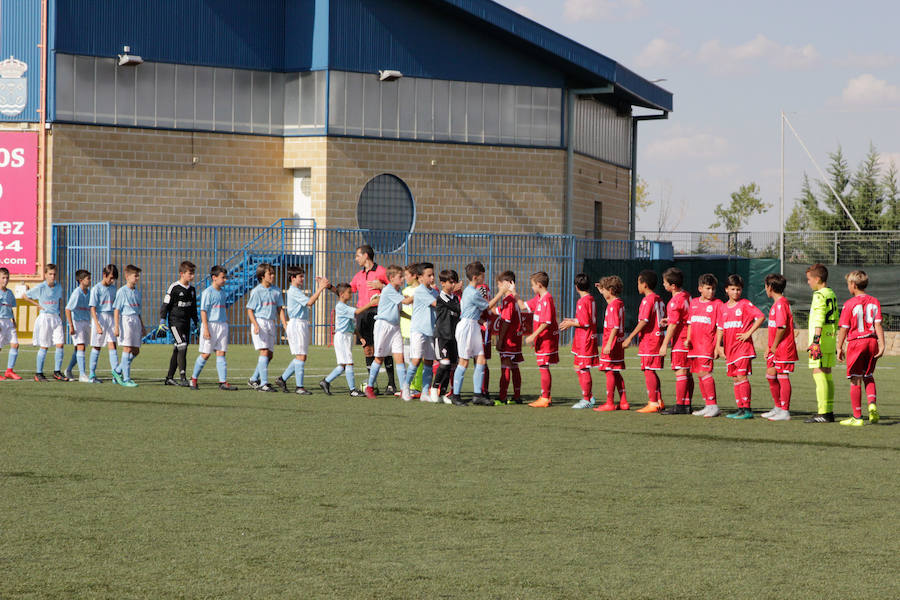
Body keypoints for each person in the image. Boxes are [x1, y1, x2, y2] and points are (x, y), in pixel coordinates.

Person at [450, 261, 506, 406]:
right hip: (466, 327)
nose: (483, 278)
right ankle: (455, 395)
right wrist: (501, 292)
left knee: (481, 359)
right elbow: (487, 306)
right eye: (482, 275)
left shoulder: (472, 291)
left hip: (474, 325)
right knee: (464, 361)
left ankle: (477, 395)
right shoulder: (472, 292)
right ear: (476, 277)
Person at [836, 270, 885, 426]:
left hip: (857, 343)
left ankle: (857, 417)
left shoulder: (849, 304)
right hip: (872, 341)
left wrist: (839, 346)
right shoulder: (875, 301)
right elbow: (878, 324)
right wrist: (882, 344)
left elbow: (844, 328)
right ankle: (872, 405)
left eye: (848, 284)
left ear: (853, 285)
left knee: (855, 378)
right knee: (868, 375)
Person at [275, 266, 329, 395]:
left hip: (302, 323)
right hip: (297, 324)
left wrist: (321, 286)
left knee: (302, 356)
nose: (303, 279)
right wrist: (321, 287)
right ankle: (299, 387)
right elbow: (310, 302)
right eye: (300, 276)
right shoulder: (293, 291)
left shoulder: (297, 290)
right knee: (301, 356)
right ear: (292, 278)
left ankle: (282, 379)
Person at [717, 274, 765, 419]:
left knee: (741, 376)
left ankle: (747, 409)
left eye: (738, 289)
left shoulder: (744, 304)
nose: (736, 292)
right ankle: (740, 408)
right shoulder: (723, 308)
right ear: (726, 290)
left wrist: (748, 333)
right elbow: (720, 327)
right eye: (733, 289)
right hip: (730, 349)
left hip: (743, 348)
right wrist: (718, 346)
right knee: (735, 379)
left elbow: (761, 317)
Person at [364, 265, 414, 400]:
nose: (403, 278)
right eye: (400, 276)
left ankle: (404, 389)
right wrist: (420, 291)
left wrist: (411, 317)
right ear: (392, 278)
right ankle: (369, 387)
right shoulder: (388, 290)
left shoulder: (398, 291)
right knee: (379, 358)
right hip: (383, 326)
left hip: (395, 327)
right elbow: (406, 301)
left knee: (399, 358)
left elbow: (400, 309)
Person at [350, 244, 394, 393]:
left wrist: (381, 286)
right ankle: (372, 385)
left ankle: (391, 384)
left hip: (378, 313)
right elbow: (347, 291)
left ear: (365, 256)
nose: (356, 259)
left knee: (384, 348)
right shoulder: (358, 275)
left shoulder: (381, 271)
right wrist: (329, 287)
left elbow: (395, 288)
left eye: (357, 255)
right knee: (368, 349)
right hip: (363, 314)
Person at [319, 283, 374, 397]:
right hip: (342, 337)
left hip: (347, 337)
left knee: (343, 365)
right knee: (349, 363)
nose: (351, 294)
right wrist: (371, 303)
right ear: (341, 294)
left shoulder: (346, 307)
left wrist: (360, 337)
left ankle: (326, 381)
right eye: (349, 292)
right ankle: (353, 390)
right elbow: (357, 312)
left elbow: (352, 326)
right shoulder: (341, 306)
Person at [189, 265, 238, 391]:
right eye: (223, 277)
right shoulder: (207, 292)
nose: (225, 280)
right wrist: (205, 328)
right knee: (206, 354)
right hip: (211, 325)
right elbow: (203, 311)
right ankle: (193, 379)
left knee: (221, 353)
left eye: (225, 277)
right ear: (214, 278)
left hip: (222, 325)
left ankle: (223, 382)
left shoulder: (222, 292)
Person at [623, 270, 666, 413]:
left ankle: (653, 402)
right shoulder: (658, 298)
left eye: (638, 283)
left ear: (645, 284)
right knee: (652, 370)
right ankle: (658, 400)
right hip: (657, 338)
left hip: (650, 340)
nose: (637, 285)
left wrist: (630, 338)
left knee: (648, 370)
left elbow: (644, 321)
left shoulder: (648, 300)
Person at [515, 271, 559, 408]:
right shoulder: (539, 297)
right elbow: (523, 306)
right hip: (541, 339)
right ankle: (545, 396)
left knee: (543, 366)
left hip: (547, 339)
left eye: (533, 285)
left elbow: (546, 322)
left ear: (539, 285)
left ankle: (545, 398)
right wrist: (513, 292)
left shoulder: (547, 299)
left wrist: (533, 335)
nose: (532, 288)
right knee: (542, 366)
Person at [804, 263, 838, 423]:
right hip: (830, 338)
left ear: (817, 279)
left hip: (820, 340)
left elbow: (819, 318)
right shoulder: (831, 293)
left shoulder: (819, 295)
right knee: (827, 374)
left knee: (818, 373)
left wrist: (815, 341)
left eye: (809, 279)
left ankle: (822, 412)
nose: (808, 282)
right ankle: (829, 410)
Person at [685, 273, 723, 417]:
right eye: (708, 288)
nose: (711, 292)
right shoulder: (694, 302)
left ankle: (713, 405)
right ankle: (708, 404)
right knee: (699, 375)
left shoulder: (717, 304)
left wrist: (717, 346)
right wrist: (688, 339)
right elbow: (690, 323)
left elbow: (720, 326)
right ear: (700, 288)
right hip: (694, 346)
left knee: (705, 373)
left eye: (713, 289)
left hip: (707, 345)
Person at [762, 273, 798, 421]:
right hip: (775, 347)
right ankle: (778, 407)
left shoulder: (781, 304)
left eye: (765, 286)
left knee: (783, 376)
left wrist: (774, 345)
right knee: (770, 375)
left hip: (783, 348)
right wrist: (768, 346)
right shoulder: (777, 304)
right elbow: (773, 328)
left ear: (770, 287)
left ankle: (785, 411)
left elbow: (782, 327)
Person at [558, 273, 598, 409]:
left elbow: (585, 322)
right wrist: (572, 320)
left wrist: (570, 324)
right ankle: (589, 396)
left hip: (585, 339)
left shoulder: (582, 301)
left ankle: (586, 399)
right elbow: (584, 319)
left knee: (583, 368)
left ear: (576, 287)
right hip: (582, 338)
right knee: (577, 367)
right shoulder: (591, 298)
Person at [246, 263, 286, 393]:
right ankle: (263, 384)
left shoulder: (276, 290)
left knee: (269, 355)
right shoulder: (256, 291)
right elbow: (250, 310)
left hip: (271, 323)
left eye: (273, 273)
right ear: (262, 276)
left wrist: (285, 324)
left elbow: (280, 309)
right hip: (260, 322)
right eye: (270, 274)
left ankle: (253, 379)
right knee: (263, 352)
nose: (273, 276)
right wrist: (256, 325)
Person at [658, 268, 693, 414]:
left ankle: (679, 405)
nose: (663, 284)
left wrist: (664, 345)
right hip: (689, 337)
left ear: (673, 286)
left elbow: (673, 326)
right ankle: (686, 404)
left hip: (681, 339)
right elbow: (681, 317)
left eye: (665, 282)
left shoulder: (674, 301)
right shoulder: (686, 295)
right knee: (687, 373)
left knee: (680, 372)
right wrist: (670, 320)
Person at [402, 262, 439, 402]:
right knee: (416, 360)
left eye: (433, 274)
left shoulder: (435, 292)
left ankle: (424, 392)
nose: (432, 278)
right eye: (429, 275)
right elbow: (437, 304)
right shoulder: (420, 291)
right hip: (418, 330)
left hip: (430, 331)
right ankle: (405, 388)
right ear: (420, 278)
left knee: (429, 362)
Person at [24, 264, 67, 382]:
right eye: (50, 274)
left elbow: (59, 300)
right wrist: (38, 305)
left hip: (56, 317)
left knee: (60, 344)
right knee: (44, 346)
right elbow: (25, 296)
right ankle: (39, 373)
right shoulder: (41, 287)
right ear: (45, 275)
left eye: (54, 274)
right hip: (45, 318)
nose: (52, 276)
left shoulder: (58, 286)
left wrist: (60, 315)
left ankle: (57, 372)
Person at [160, 261, 198, 387]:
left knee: (178, 349)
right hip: (174, 323)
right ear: (182, 274)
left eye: (193, 274)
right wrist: (162, 321)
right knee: (183, 345)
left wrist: (196, 323)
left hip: (186, 323)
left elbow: (193, 308)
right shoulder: (174, 288)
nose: (192, 276)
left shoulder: (192, 290)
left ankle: (169, 378)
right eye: (190, 273)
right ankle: (183, 377)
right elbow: (165, 305)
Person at [594, 275, 628, 411]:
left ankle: (609, 403)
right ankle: (624, 402)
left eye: (604, 289)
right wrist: (600, 288)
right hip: (618, 342)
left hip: (611, 343)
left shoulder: (612, 306)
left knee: (609, 371)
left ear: (611, 290)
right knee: (616, 372)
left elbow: (614, 326)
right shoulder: (619, 303)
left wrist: (608, 344)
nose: (602, 292)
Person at [494, 271, 525, 405]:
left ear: (506, 284)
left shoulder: (508, 300)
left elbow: (506, 321)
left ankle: (502, 397)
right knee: (514, 366)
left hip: (509, 339)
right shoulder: (515, 300)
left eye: (499, 284)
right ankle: (517, 396)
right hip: (516, 339)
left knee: (505, 366)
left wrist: (500, 340)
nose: (498, 287)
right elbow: (501, 312)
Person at [112, 264, 145, 388]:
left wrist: (142, 326)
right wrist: (116, 327)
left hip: (135, 320)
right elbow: (116, 309)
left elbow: (139, 311)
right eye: (135, 275)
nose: (137, 278)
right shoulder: (122, 291)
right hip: (126, 320)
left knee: (136, 350)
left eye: (138, 276)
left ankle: (117, 371)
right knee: (127, 348)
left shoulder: (137, 292)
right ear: (127, 276)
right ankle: (126, 379)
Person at [431, 269, 461, 403]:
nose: (453, 284)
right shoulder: (441, 297)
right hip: (442, 336)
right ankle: (434, 389)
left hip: (453, 337)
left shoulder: (454, 298)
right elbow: (457, 308)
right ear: (443, 283)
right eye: (451, 282)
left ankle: (443, 394)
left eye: (454, 282)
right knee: (444, 362)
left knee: (450, 366)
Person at [88, 264, 119, 383]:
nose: (112, 281)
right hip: (100, 317)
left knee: (112, 345)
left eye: (114, 279)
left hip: (111, 317)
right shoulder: (96, 289)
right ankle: (92, 374)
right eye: (110, 278)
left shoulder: (113, 289)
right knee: (97, 345)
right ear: (104, 275)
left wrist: (116, 324)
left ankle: (115, 374)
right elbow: (92, 308)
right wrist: (97, 325)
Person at [63, 269, 93, 382]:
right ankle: (82, 374)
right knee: (80, 346)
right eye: (88, 279)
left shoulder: (89, 292)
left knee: (80, 348)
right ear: (81, 280)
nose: (90, 281)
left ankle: (69, 370)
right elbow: (67, 309)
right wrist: (71, 325)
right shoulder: (77, 293)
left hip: (86, 321)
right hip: (77, 322)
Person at [400, 263, 424, 397]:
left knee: (417, 359)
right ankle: (410, 385)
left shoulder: (420, 291)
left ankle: (417, 386)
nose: (405, 278)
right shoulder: (405, 291)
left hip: (415, 330)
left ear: (415, 276)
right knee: (408, 359)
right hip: (404, 330)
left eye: (407, 275)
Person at [0, 267, 22, 380]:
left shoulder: (9, 293)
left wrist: (13, 320)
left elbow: (10, 308)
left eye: (7, 277)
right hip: (0, 321)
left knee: (15, 344)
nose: (5, 280)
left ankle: (9, 371)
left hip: (9, 321)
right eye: (3, 277)